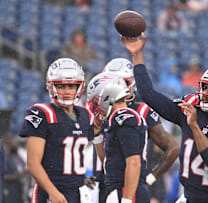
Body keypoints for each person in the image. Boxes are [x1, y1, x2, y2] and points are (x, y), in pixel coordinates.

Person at [122, 33, 208, 202]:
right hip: (188, 197)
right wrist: (137, 54)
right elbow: (149, 95)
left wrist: (194, 126)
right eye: (205, 87)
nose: (206, 93)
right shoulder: (193, 108)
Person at [85, 58, 180, 202]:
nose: (115, 85)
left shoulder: (131, 114)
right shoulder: (104, 111)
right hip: (104, 181)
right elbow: (107, 157)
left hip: (127, 186)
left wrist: (150, 179)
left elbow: (171, 148)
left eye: (120, 81)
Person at [19, 58, 94, 203]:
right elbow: (33, 163)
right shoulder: (42, 113)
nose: (66, 91)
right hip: (50, 192)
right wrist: (52, 191)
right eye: (61, 86)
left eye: (71, 87)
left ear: (80, 87)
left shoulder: (84, 115)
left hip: (78, 192)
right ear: (51, 86)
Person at [86, 72, 150, 202]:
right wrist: (97, 137)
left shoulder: (123, 117)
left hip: (127, 190)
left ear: (107, 97)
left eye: (96, 101)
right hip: (120, 189)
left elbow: (134, 162)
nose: (96, 108)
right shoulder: (117, 118)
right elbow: (108, 161)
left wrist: (126, 199)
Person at [3, 136, 28, 203]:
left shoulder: (12, 156)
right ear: (8, 143)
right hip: (8, 189)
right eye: (13, 142)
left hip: (17, 189)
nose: (15, 144)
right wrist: (17, 176)